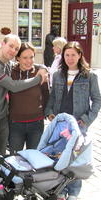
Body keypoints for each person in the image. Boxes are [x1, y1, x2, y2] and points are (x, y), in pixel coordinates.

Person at [0, 34, 48, 159]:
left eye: (16, 48)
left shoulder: (8, 64)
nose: (13, 50)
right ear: (2, 44)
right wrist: (38, 78)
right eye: (11, 46)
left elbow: (29, 64)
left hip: (3, 119)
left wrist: (43, 68)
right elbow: (13, 86)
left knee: (1, 159)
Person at [45, 41, 101, 200]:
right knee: (58, 156)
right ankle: (60, 190)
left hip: (78, 125)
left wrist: (86, 119)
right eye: (67, 55)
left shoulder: (89, 76)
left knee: (75, 159)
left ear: (80, 56)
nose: (70, 58)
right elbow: (53, 96)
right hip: (60, 124)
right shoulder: (58, 74)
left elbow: (97, 100)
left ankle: (74, 192)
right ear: (63, 56)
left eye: (73, 55)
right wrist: (49, 112)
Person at [8, 42, 49, 152]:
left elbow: (46, 95)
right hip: (15, 124)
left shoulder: (40, 73)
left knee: (34, 158)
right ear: (17, 58)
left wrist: (44, 113)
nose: (29, 61)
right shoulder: (10, 73)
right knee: (14, 158)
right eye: (25, 57)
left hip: (36, 123)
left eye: (31, 57)